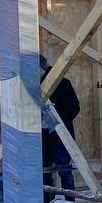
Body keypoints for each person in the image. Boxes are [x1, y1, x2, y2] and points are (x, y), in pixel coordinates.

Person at [41, 56, 80, 192]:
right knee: (47, 172)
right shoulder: (36, 86)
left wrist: (58, 121)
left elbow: (74, 108)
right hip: (44, 135)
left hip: (59, 135)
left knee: (62, 170)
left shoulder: (61, 84)